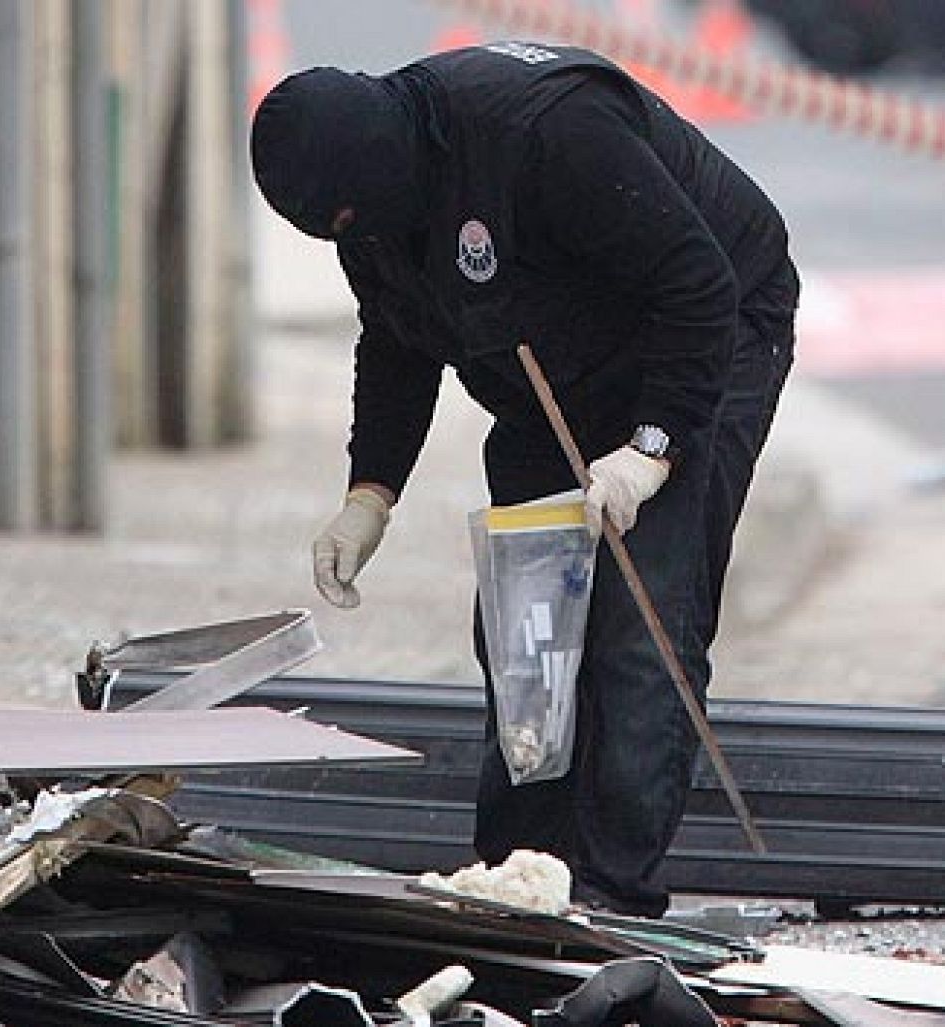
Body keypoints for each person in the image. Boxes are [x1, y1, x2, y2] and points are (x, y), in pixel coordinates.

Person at [250, 40, 798, 918]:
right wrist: (370, 493)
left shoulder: (549, 133)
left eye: (355, 219)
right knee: (527, 626)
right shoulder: (371, 209)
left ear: (385, 171)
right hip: (553, 361)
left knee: (638, 621)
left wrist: (651, 450)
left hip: (706, 330)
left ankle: (615, 895)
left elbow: (698, 286)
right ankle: (519, 875)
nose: (353, 238)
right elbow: (396, 340)